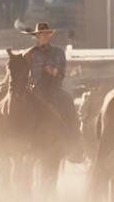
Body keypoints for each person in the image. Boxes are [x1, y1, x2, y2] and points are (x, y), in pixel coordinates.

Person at [21, 22, 82, 160]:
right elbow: (24, 74)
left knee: (67, 100)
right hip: (34, 91)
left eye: (46, 34)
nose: (44, 36)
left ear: (49, 35)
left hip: (53, 89)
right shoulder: (29, 54)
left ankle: (73, 139)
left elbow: (61, 73)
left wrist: (54, 72)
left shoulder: (58, 53)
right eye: (41, 34)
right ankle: (16, 137)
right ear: (37, 36)